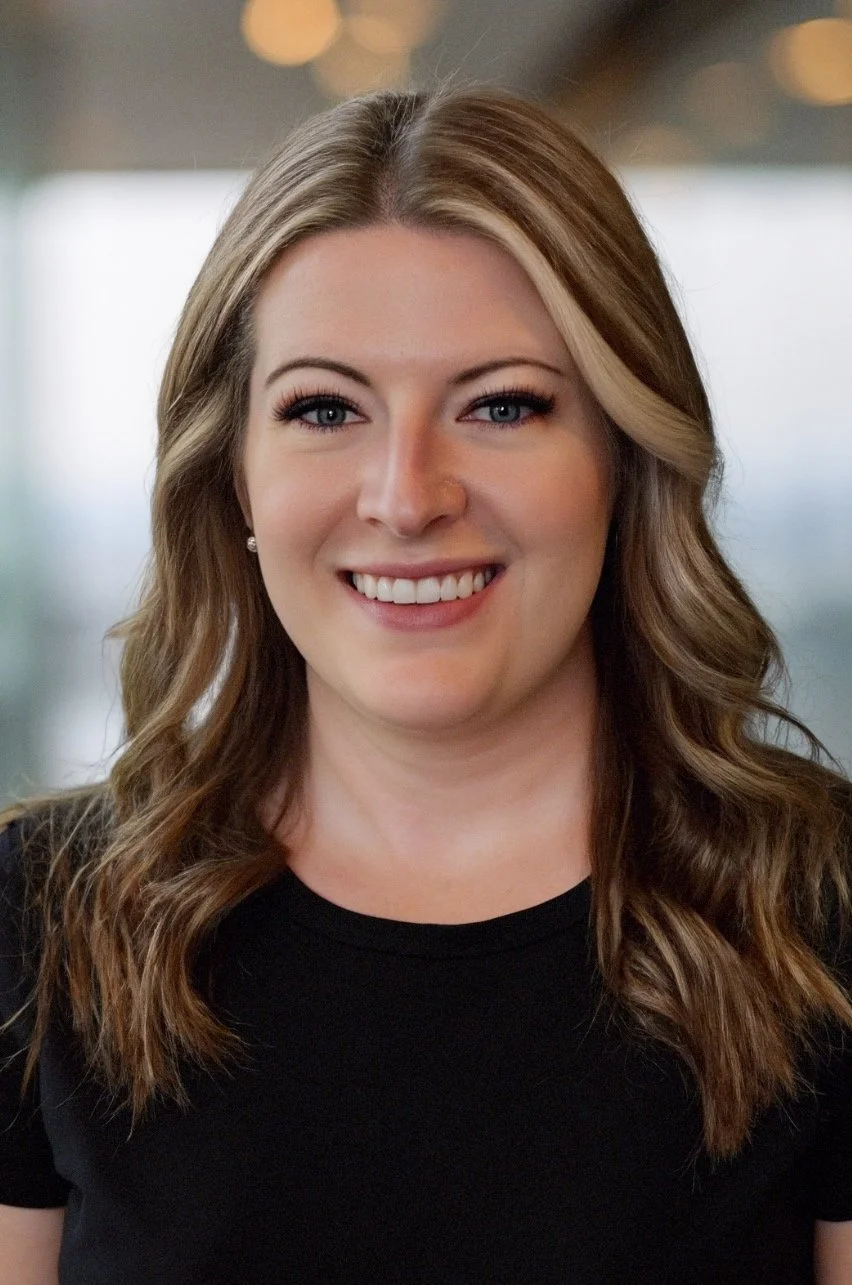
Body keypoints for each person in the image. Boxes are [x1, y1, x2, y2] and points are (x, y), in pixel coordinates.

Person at [1, 82, 850, 1285]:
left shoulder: (824, 913)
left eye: (502, 405)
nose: (408, 496)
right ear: (233, 474)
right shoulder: (40, 927)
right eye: (324, 408)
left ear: (624, 456)